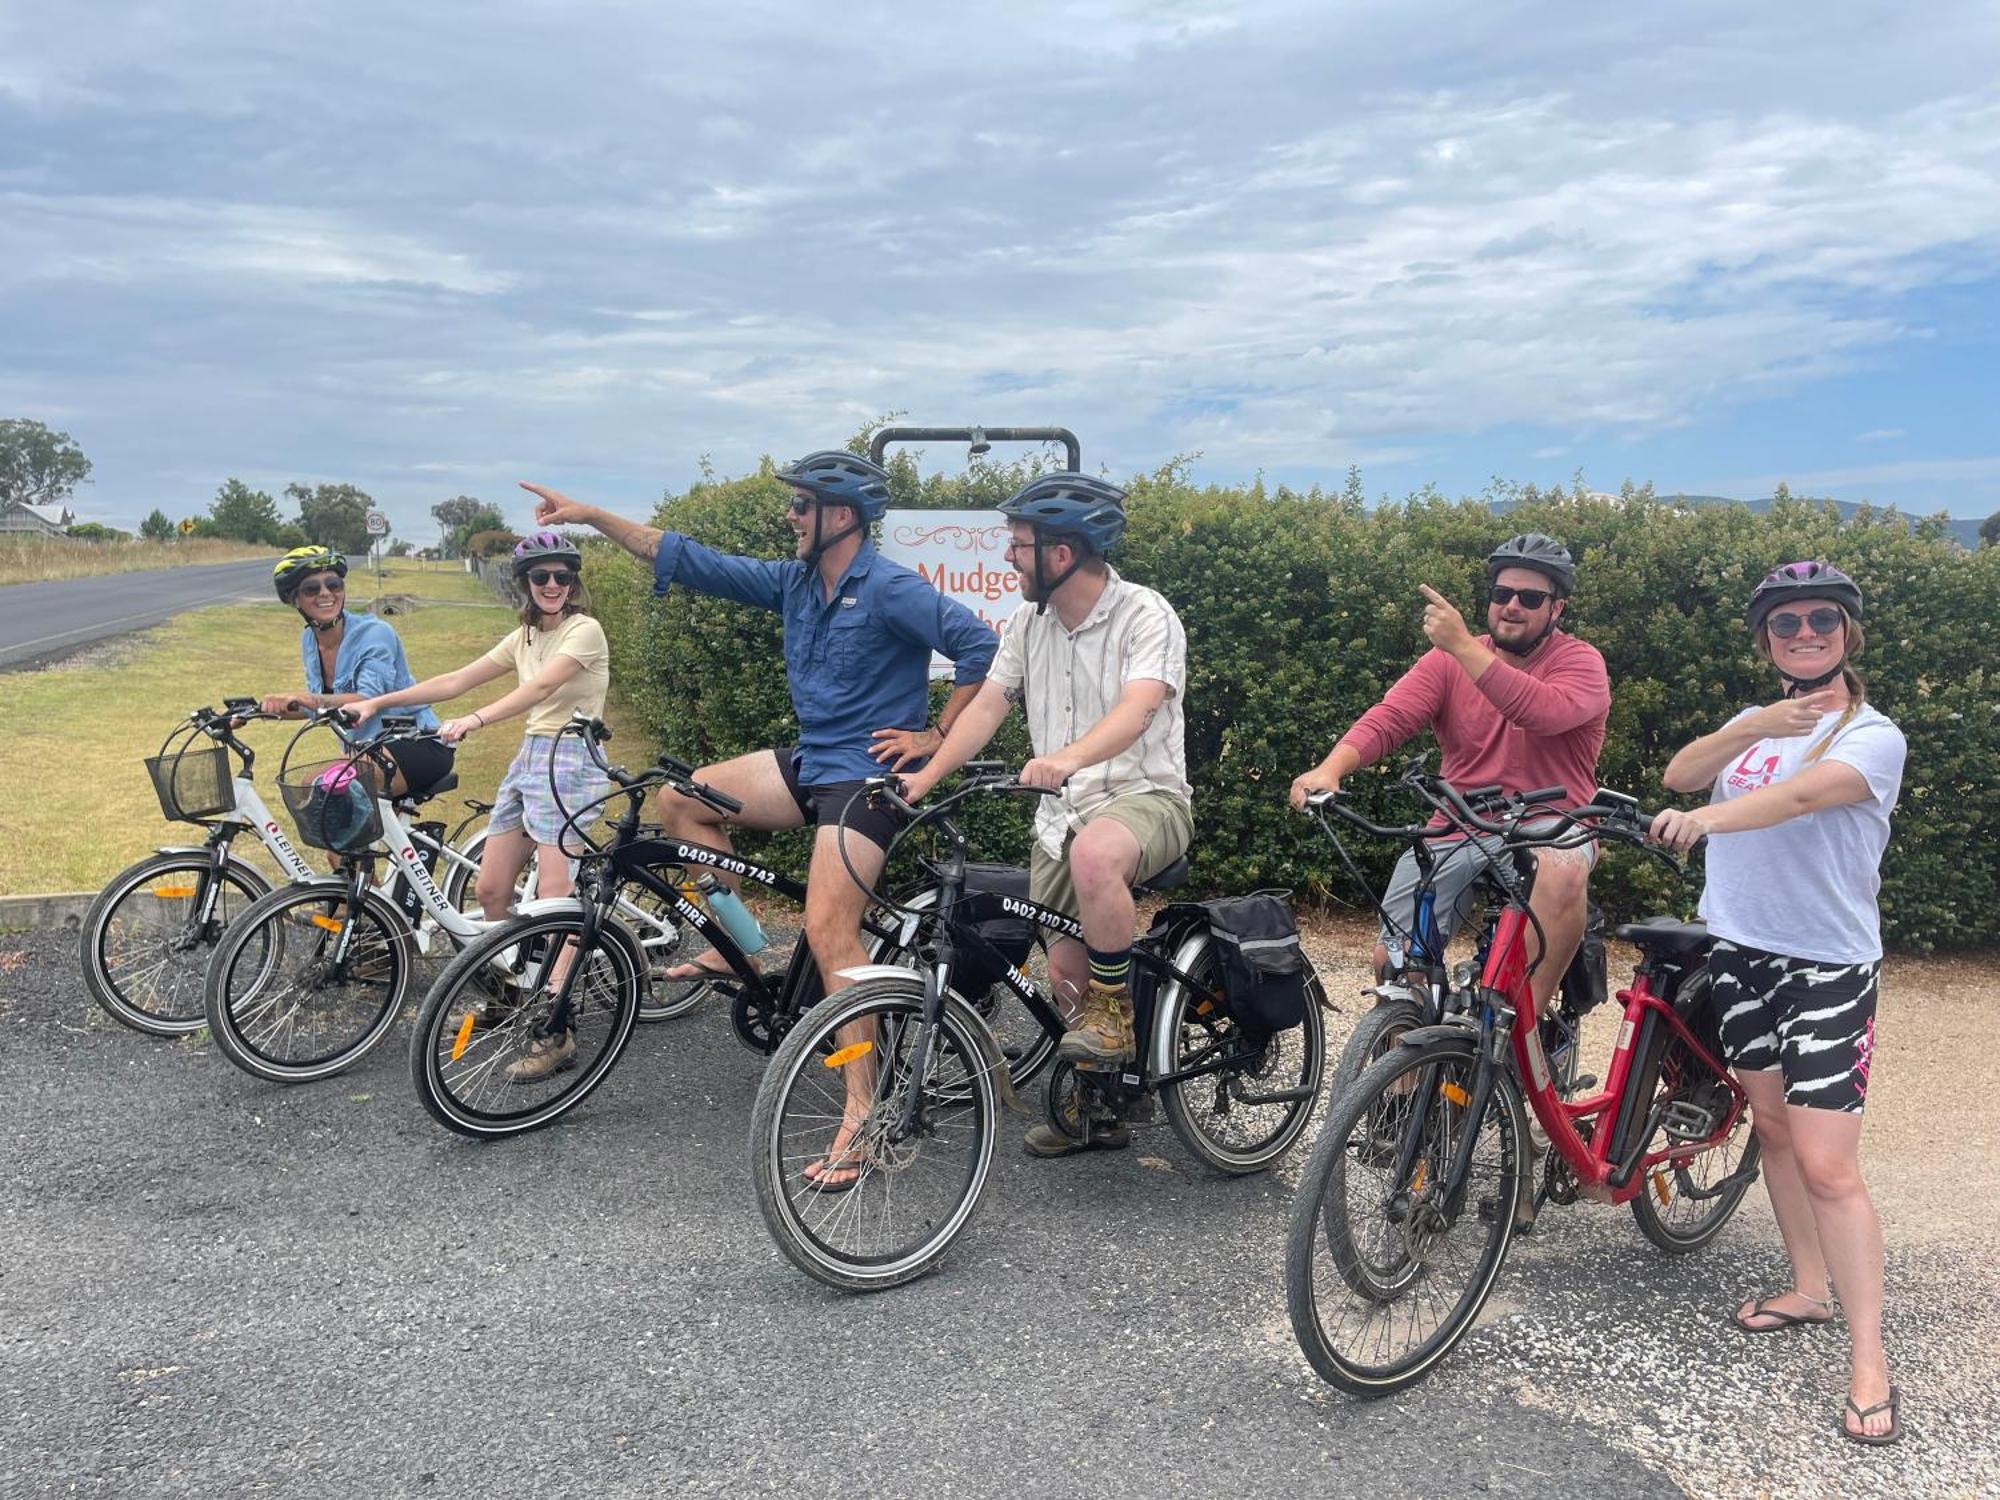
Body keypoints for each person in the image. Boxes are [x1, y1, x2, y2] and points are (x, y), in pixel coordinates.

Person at [521, 452, 997, 1180]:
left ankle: (863, 1115)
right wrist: (589, 515)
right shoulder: (797, 582)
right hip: (812, 763)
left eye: (801, 505)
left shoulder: (892, 588)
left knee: (829, 929)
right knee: (681, 801)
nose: (790, 515)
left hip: (867, 781)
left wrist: (935, 736)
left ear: (841, 515)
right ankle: (735, 943)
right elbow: (685, 556)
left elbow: (979, 648)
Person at [1651, 560, 1905, 1445]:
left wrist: (1710, 823)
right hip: (1741, 951)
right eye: (1786, 623)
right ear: (1766, 639)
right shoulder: (1751, 725)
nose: (1805, 633)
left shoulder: (1871, 735)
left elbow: (1799, 797)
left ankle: (1869, 1362)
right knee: (1772, 1129)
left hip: (1827, 965)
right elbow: (1684, 774)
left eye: (1821, 620)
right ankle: (1807, 1289)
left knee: (1832, 1164)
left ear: (1847, 632)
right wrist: (1755, 724)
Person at [898, 473, 1192, 1157]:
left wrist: (1069, 758)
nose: (1008, 557)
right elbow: (989, 706)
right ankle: (1103, 1110)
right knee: (1065, 987)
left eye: (1018, 545)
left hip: (1145, 797)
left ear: (1061, 554)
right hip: (1060, 817)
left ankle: (1116, 1015)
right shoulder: (1028, 623)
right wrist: (925, 780)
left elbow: (1139, 706)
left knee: (1096, 860)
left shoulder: (1145, 614)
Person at [1289, 533, 1610, 1016]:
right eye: (1502, 595)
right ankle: (1408, 1080)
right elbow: (1390, 717)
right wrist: (1331, 768)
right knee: (1394, 962)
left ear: (1556, 609)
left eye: (1530, 598)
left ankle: (1523, 1027)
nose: (1512, 606)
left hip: (1553, 819)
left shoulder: (1579, 662)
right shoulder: (1447, 661)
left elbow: (1540, 711)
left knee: (1562, 872)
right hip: (1463, 820)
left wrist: (1461, 645)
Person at [347, 531, 613, 1081]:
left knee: (555, 897)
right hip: (531, 757)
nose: (553, 586)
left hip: (572, 757)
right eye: (541, 577)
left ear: (574, 581)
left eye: (563, 576)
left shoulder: (583, 631)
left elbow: (540, 691)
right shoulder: (523, 635)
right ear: (525, 583)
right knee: (492, 890)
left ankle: (556, 1026)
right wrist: (377, 701)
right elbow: (454, 680)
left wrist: (475, 720)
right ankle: (515, 991)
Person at [257, 545, 454, 799]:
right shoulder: (309, 641)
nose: (325, 593)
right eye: (311, 589)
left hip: (416, 744)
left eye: (334, 585)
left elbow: (366, 700)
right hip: (368, 750)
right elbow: (320, 707)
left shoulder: (375, 634)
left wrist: (310, 699)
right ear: (294, 599)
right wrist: (266, 710)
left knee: (319, 788)